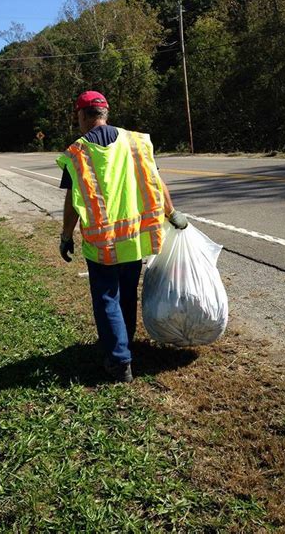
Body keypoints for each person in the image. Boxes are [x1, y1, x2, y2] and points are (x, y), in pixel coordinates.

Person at [57, 90, 188, 383]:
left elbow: (72, 201)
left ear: (81, 115)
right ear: (106, 112)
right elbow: (156, 181)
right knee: (126, 295)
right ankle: (124, 344)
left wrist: (66, 235)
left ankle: (118, 361)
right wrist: (172, 213)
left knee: (107, 298)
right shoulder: (136, 141)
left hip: (102, 242)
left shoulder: (78, 152)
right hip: (135, 239)